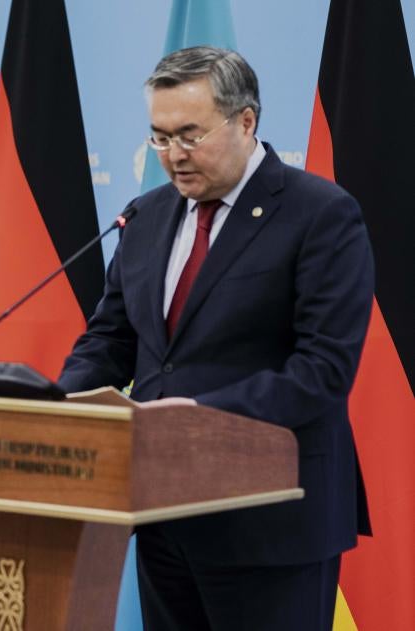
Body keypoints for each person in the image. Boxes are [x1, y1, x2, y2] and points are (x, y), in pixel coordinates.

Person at [59, 47, 373, 631]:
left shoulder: (320, 214)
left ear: (246, 121)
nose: (172, 157)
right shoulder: (147, 215)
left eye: (188, 135)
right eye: (158, 138)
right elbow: (111, 339)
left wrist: (196, 417)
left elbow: (323, 370)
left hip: (272, 522)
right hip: (162, 511)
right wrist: (55, 406)